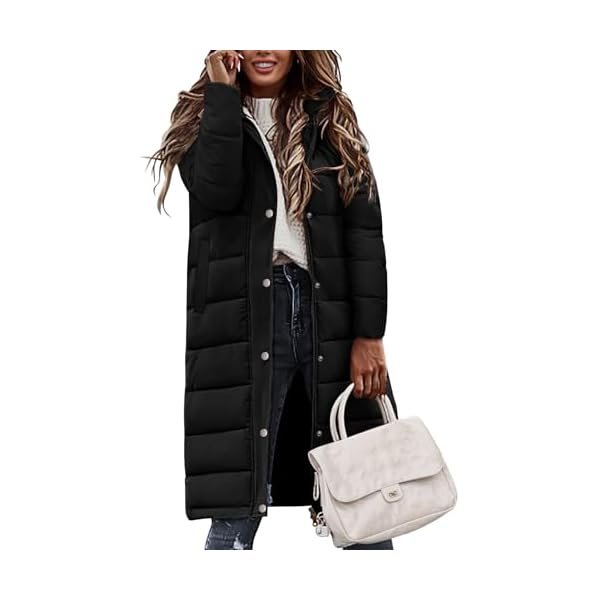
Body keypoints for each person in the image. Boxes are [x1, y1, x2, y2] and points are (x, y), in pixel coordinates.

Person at [150, 50, 397, 550]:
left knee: (363, 492)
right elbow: (218, 192)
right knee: (238, 498)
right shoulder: (205, 116)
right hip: (244, 316)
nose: (265, 50)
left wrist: (370, 334)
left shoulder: (330, 117)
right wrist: (222, 95)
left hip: (327, 311)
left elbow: (364, 232)